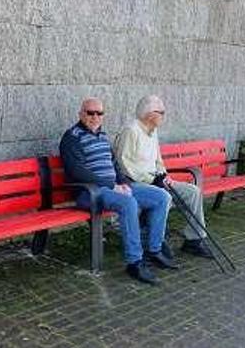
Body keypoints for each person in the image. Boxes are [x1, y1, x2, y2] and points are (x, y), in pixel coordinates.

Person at [60, 97, 176, 285]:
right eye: (90, 113)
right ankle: (135, 262)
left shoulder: (103, 136)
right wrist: (112, 185)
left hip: (112, 188)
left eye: (99, 113)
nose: (94, 117)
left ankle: (154, 250)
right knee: (128, 203)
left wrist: (123, 183)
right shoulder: (72, 137)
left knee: (161, 197)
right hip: (89, 192)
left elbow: (114, 165)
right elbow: (77, 171)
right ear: (81, 114)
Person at [114, 95, 214, 259]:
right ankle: (154, 242)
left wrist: (164, 176)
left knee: (193, 192)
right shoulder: (131, 131)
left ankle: (194, 240)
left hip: (156, 180)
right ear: (150, 114)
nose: (163, 116)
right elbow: (124, 164)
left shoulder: (153, 132)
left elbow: (158, 160)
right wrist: (153, 180)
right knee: (164, 197)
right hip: (135, 183)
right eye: (162, 112)